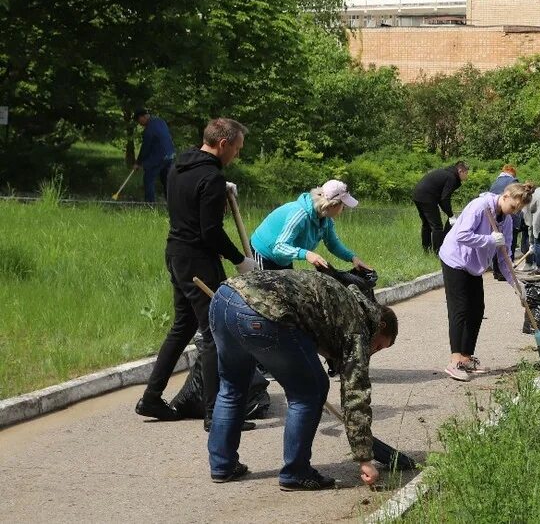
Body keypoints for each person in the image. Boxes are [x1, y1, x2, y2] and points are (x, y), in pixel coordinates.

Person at [206, 268, 399, 489]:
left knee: (232, 387)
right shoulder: (360, 327)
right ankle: (296, 472)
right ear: (381, 325)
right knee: (310, 392)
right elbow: (355, 397)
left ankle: (222, 465)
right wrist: (365, 458)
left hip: (224, 298)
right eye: (379, 346)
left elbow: (312, 330)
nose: (372, 352)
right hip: (263, 312)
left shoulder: (343, 302)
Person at [136, 117, 253, 429]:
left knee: (183, 326)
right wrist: (240, 260)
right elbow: (210, 231)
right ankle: (217, 415)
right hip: (199, 263)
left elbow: (190, 203)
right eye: (237, 150)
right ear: (223, 144)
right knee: (216, 333)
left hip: (175, 254)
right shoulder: (211, 178)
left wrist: (219, 191)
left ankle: (151, 397)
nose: (236, 156)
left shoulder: (179, 166)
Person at [438, 181, 534, 381]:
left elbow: (504, 257)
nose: (513, 212)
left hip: (474, 265)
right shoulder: (479, 206)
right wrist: (489, 240)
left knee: (477, 309)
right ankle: (454, 361)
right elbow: (462, 235)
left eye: (518, 210)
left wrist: (517, 285)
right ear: (506, 196)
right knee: (460, 309)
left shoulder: (506, 221)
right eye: (513, 207)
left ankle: (466, 358)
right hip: (455, 259)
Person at [251, 180, 369, 272]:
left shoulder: (325, 219)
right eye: (343, 205)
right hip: (264, 253)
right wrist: (307, 254)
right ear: (332, 205)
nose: (344, 209)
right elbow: (279, 248)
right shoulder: (299, 214)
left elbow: (332, 244)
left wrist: (353, 258)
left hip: (283, 259)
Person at [411, 160, 468, 254]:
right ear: (460, 171)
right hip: (426, 197)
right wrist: (451, 215)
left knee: (426, 224)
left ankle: (426, 250)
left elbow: (442, 198)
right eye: (466, 173)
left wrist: (449, 214)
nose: (467, 176)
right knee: (437, 226)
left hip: (418, 194)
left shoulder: (447, 173)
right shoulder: (452, 178)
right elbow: (445, 199)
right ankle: (438, 252)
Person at [133, 109, 175, 204]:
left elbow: (145, 148)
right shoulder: (161, 121)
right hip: (170, 155)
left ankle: (150, 206)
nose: (140, 123)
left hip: (160, 157)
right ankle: (171, 205)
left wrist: (138, 163)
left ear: (144, 117)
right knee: (167, 181)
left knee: (148, 179)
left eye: (139, 120)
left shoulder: (148, 130)